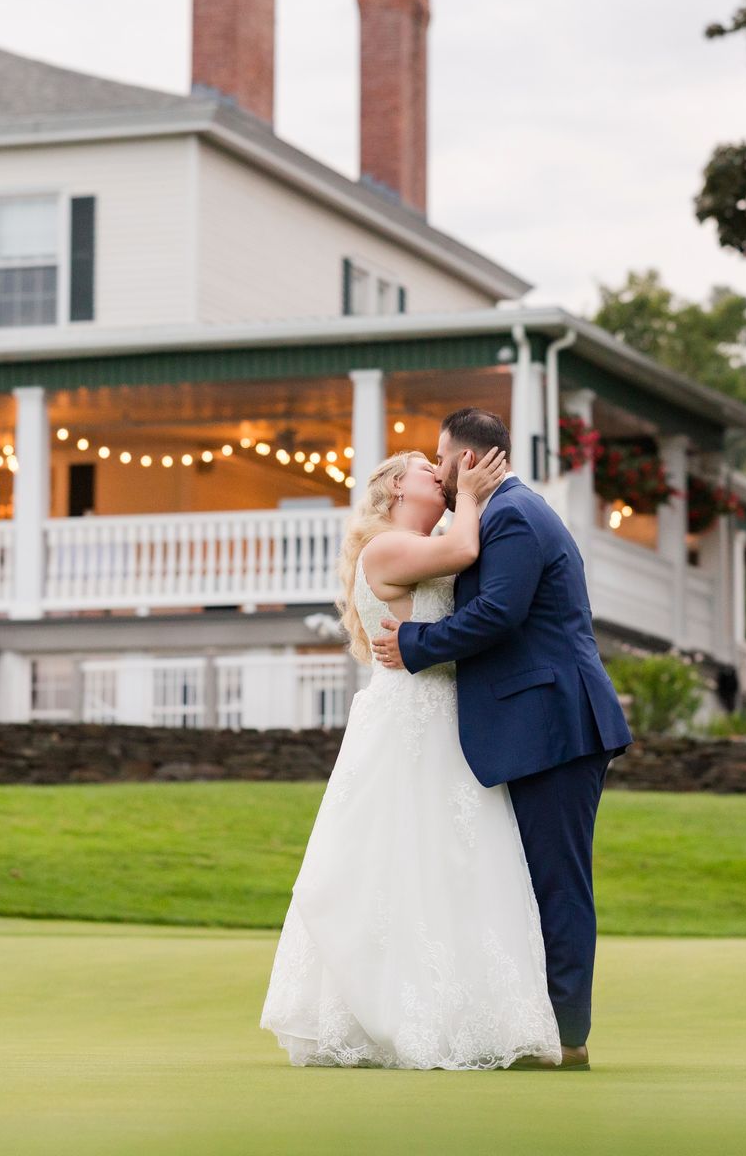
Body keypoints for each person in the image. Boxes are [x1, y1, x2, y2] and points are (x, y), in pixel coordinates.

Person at [259, 443, 565, 1070]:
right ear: (397, 490)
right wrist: (478, 493)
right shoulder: (388, 547)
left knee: (454, 862)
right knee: (400, 859)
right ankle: (390, 1012)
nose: (444, 475)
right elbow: (464, 553)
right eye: (431, 470)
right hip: (409, 720)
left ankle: (464, 1011)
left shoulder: (429, 539)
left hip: (449, 718)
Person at [370, 407, 633, 1071]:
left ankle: (567, 1038)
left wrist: (414, 641)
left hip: (555, 723)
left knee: (558, 882)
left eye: (441, 455)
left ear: (467, 459)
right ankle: (535, 1024)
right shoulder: (498, 514)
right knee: (531, 881)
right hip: (535, 724)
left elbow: (500, 613)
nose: (436, 466)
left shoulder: (513, 513)